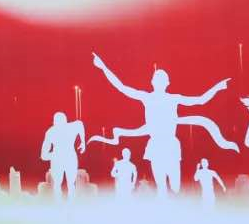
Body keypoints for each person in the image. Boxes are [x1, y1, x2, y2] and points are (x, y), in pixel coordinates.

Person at [88, 53, 238, 198]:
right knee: (161, 187)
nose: (159, 82)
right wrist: (103, 67)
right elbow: (121, 87)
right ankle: (164, 206)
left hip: (171, 145)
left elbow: (200, 100)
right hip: (155, 145)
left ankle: (172, 190)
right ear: (152, 82)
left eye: (162, 80)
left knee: (175, 187)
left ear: (167, 83)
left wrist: (217, 88)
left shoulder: (173, 98)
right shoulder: (147, 97)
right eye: (157, 79)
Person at [40, 112, 86, 201]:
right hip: (61, 159)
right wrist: (53, 155)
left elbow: (80, 124)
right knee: (59, 184)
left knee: (69, 184)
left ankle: (69, 203)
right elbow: (43, 155)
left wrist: (83, 142)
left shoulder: (62, 129)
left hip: (68, 157)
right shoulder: (51, 132)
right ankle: (60, 203)